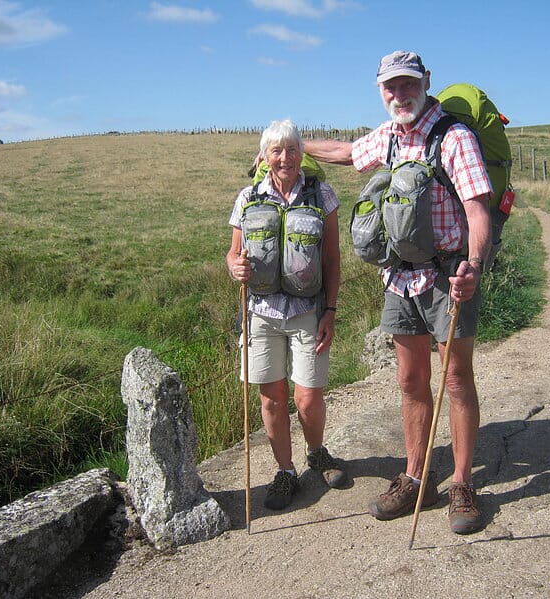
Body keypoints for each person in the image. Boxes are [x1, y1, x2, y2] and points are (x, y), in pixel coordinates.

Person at [303, 51, 492, 534]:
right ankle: (416, 477)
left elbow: (478, 211)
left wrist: (472, 267)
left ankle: (463, 483)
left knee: (455, 380)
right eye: (390, 87)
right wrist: (290, 146)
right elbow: (346, 153)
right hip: (400, 279)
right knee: (410, 381)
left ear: (426, 82)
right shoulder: (386, 138)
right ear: (380, 90)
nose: (399, 94)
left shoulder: (453, 137)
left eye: (407, 84)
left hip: (450, 276)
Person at [227, 119, 347, 510]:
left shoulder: (321, 195)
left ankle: (316, 453)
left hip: (308, 311)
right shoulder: (247, 198)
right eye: (276, 151)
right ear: (264, 157)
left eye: (292, 150)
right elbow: (233, 253)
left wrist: (330, 310)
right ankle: (285, 470)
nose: (285, 158)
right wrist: (234, 266)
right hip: (260, 312)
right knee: (272, 400)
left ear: (301, 154)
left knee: (307, 398)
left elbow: (331, 258)